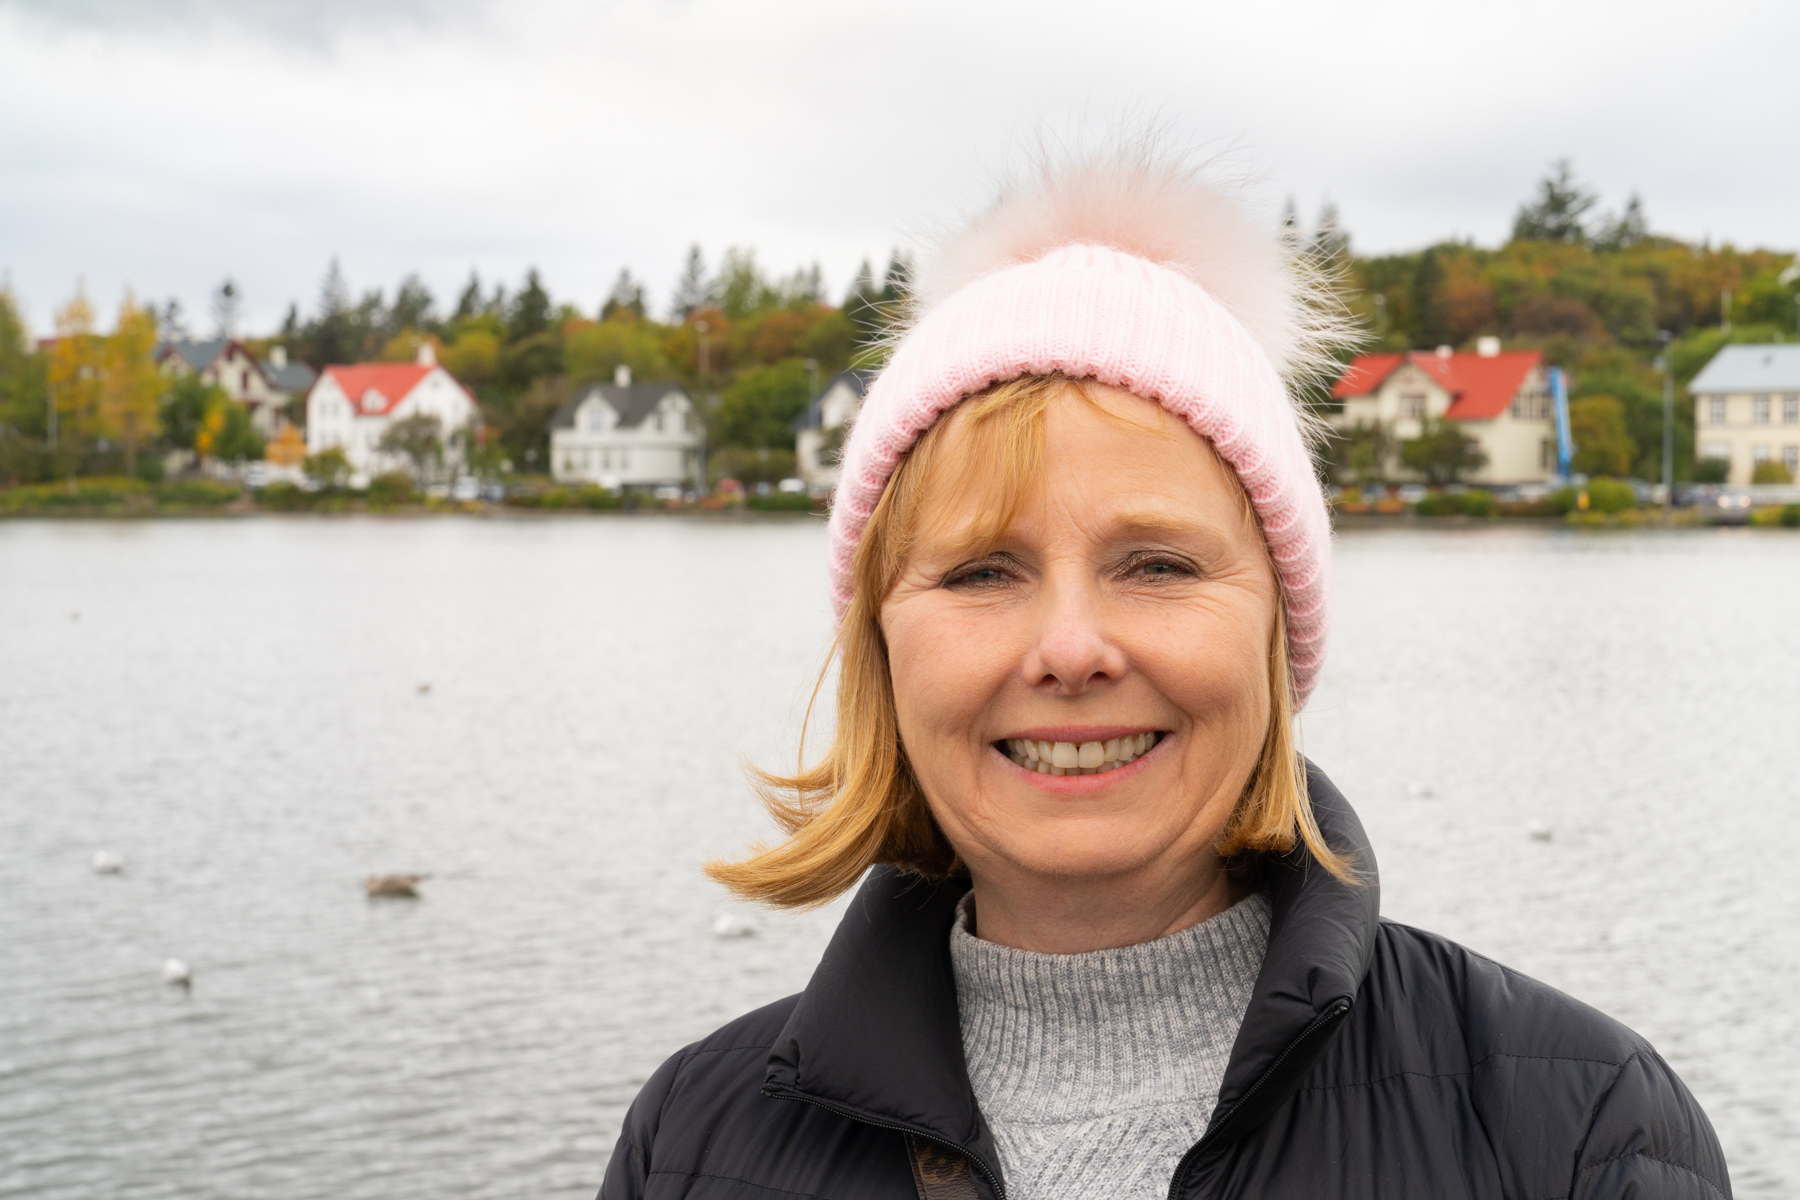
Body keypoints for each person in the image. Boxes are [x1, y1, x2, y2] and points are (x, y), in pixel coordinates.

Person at [599, 147, 1729, 1200]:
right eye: (985, 571)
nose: (1073, 649)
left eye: (1159, 564)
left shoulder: (1577, 1131)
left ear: (1276, 634)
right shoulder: (693, 1146)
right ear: (882, 647)